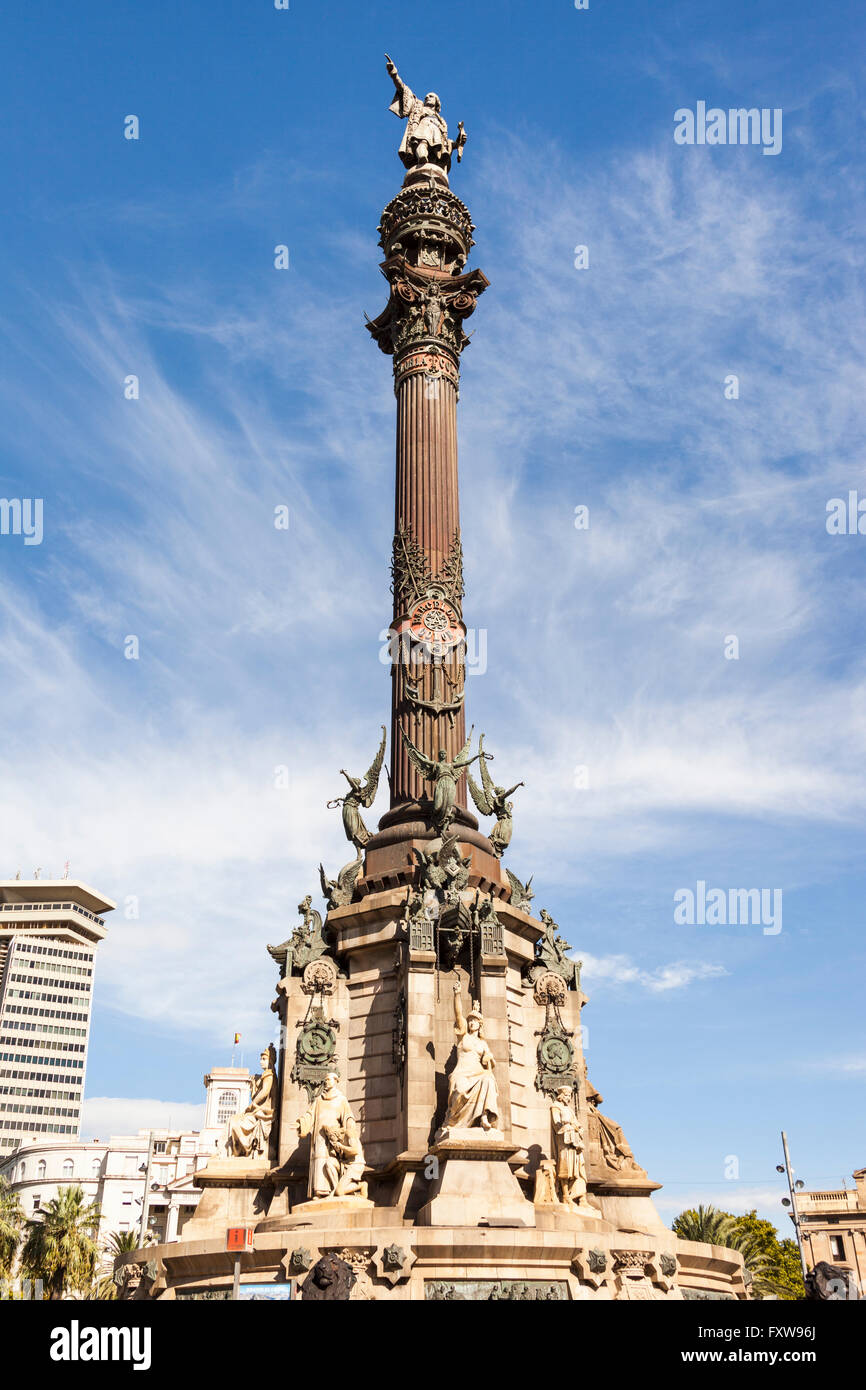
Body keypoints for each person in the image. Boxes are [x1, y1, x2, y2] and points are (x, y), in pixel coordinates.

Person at [436, 984, 499, 1137]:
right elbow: (458, 1015)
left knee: (489, 1080)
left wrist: (489, 1058)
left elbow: (491, 1063)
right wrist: (457, 994)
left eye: (475, 1021)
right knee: (459, 1090)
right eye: (470, 1020)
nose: (471, 1023)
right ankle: (453, 1121)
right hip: (462, 1073)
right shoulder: (463, 1036)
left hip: (478, 1072)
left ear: (480, 1024)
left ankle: (484, 1116)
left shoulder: (483, 1043)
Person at [227, 1047, 276, 1158]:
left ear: (270, 1061)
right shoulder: (266, 1074)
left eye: (264, 1059)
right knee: (234, 1122)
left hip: (264, 1112)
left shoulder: (269, 1074)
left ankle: (243, 1151)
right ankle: (240, 1151)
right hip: (260, 1111)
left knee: (235, 1124)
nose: (261, 1061)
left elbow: (265, 1091)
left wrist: (253, 1103)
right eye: (261, 1059)